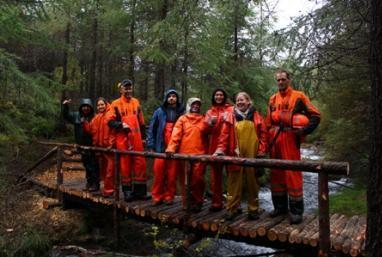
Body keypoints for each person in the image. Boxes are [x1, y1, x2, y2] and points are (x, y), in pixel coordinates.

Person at [265, 69, 320, 224]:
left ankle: (296, 211)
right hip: (274, 138)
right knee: (276, 173)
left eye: (283, 79)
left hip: (290, 137)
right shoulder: (272, 99)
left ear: (289, 79)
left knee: (292, 173)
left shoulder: (299, 96)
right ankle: (280, 208)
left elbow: (316, 115)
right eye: (278, 80)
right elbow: (267, 122)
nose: (281, 82)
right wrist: (265, 142)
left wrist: (304, 131)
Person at [214, 92, 267, 220]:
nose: (239, 102)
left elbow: (263, 135)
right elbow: (224, 135)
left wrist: (261, 151)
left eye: (242, 100)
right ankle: (231, 208)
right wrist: (220, 149)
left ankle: (253, 209)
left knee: (252, 181)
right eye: (237, 100)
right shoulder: (230, 116)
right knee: (233, 181)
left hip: (252, 153)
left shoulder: (256, 116)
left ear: (249, 102)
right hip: (235, 152)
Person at [165, 97, 209, 212]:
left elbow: (208, 134)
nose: (196, 106)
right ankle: (187, 203)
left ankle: (198, 202)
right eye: (193, 104)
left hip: (200, 154)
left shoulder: (204, 119)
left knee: (198, 179)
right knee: (184, 180)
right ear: (189, 105)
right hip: (184, 155)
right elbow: (176, 134)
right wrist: (171, 148)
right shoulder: (182, 119)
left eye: (198, 104)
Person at [107, 79, 147, 202]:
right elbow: (109, 121)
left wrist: (144, 137)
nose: (128, 90)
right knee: (125, 165)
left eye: (130, 88)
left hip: (137, 139)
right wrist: (120, 125)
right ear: (121, 89)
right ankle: (127, 192)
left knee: (140, 164)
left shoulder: (136, 102)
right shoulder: (115, 104)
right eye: (126, 88)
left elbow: (141, 121)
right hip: (123, 138)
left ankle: (140, 192)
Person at [147, 89, 185, 205]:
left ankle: (169, 196)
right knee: (158, 174)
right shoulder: (159, 111)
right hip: (160, 147)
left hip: (175, 149)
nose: (172, 98)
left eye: (174, 96)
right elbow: (152, 129)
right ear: (166, 99)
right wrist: (150, 145)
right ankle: (157, 196)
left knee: (172, 175)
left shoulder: (182, 113)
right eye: (169, 96)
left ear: (177, 99)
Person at [204, 88, 233, 211]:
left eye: (221, 95)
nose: (219, 97)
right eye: (217, 95)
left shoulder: (230, 109)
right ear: (214, 97)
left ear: (224, 96)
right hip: (215, 146)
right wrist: (210, 123)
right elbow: (204, 130)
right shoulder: (210, 112)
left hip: (230, 145)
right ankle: (217, 203)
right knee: (215, 177)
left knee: (232, 175)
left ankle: (233, 204)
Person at [63, 98, 100, 191]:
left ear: (91, 107)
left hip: (93, 146)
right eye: (84, 106)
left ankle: (95, 184)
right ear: (81, 107)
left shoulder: (95, 117)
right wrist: (65, 106)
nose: (85, 108)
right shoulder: (76, 116)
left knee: (94, 165)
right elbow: (66, 116)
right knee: (87, 165)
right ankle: (89, 182)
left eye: (87, 106)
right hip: (82, 146)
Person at [82, 97, 115, 197]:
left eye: (102, 104)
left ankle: (109, 191)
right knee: (103, 171)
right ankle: (107, 189)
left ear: (106, 104)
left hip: (109, 149)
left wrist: (111, 144)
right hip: (100, 149)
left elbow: (113, 132)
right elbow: (91, 130)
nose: (100, 106)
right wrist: (85, 123)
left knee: (110, 170)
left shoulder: (110, 115)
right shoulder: (96, 117)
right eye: (99, 105)